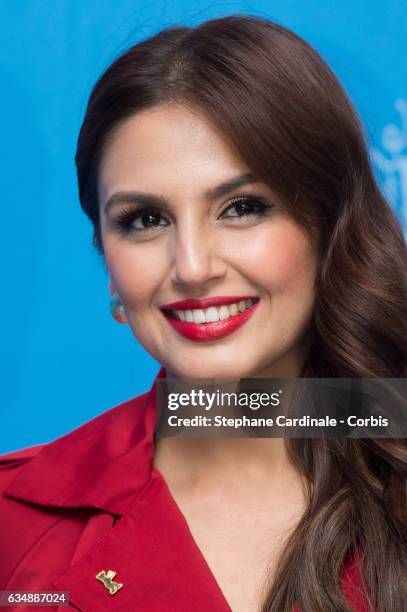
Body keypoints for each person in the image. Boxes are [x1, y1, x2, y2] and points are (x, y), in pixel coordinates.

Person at [1, 14, 406, 612]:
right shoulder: (14, 517)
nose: (191, 266)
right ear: (106, 258)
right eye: (145, 219)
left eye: (241, 207)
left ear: (329, 228)